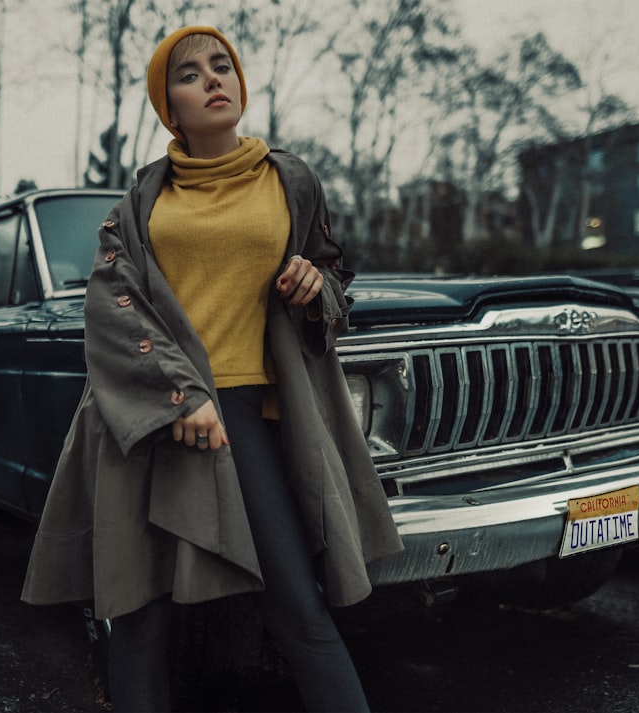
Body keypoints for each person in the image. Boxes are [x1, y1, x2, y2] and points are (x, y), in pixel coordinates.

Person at [22, 25, 404, 712]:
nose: (212, 80)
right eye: (190, 74)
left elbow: (335, 269)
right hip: (149, 419)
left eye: (221, 66)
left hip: (250, 418)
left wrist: (316, 284)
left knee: (299, 607)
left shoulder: (289, 181)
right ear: (170, 107)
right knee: (138, 614)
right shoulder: (139, 204)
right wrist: (179, 394)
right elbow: (112, 306)